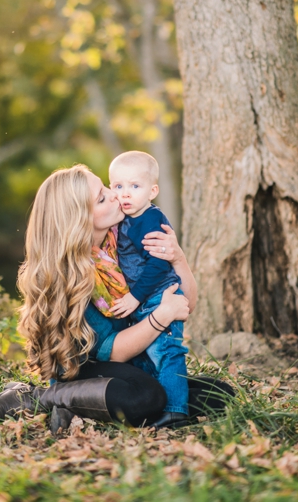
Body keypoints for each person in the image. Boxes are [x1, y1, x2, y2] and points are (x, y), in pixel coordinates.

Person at [0, 164, 235, 432]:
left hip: (132, 359)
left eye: (106, 187)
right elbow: (112, 349)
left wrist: (177, 258)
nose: (116, 195)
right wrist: (162, 316)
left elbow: (186, 304)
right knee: (145, 397)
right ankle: (34, 397)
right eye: (102, 197)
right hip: (84, 368)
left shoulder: (122, 243)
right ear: (79, 219)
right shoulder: (71, 274)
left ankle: (77, 410)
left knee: (218, 395)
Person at [107, 150, 191, 429]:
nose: (125, 194)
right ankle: (158, 401)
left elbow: (158, 264)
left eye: (134, 186)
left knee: (167, 351)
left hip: (157, 295)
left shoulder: (150, 220)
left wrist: (134, 297)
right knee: (153, 354)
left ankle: (175, 410)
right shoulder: (123, 218)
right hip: (146, 300)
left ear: (152, 190)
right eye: (118, 186)